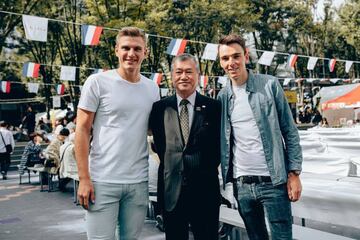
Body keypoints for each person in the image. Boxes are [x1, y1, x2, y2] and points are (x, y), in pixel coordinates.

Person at [75, 26, 160, 240]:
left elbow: (151, 129)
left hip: (138, 182)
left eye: (137, 49)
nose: (131, 54)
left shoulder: (152, 89)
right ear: (116, 50)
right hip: (102, 180)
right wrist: (84, 178)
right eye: (126, 48)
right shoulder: (98, 82)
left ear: (145, 52)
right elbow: (82, 130)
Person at [217, 34, 303, 240]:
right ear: (220, 62)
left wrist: (294, 173)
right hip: (242, 185)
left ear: (246, 56)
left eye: (236, 56)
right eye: (225, 58)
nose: (231, 63)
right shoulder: (222, 97)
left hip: (274, 182)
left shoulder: (270, 86)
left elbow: (289, 131)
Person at [150, 53, 221, 240]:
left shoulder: (214, 108)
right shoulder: (159, 109)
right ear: (172, 76)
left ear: (198, 75)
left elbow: (220, 147)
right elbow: (158, 146)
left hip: (205, 191)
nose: (184, 76)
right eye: (179, 72)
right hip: (171, 190)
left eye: (189, 72)